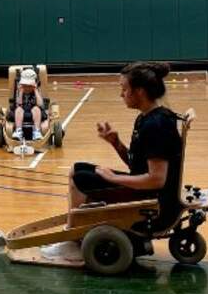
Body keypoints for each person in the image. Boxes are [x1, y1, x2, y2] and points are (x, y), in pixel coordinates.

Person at [46, 62, 182, 260]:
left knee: (80, 179)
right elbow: (137, 166)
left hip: (156, 201)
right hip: (147, 190)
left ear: (140, 92)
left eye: (124, 89)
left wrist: (113, 178)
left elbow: (156, 180)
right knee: (77, 169)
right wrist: (116, 144)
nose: (121, 94)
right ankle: (74, 234)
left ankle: (74, 242)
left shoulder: (156, 125)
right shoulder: (148, 118)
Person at [13, 68, 47, 141]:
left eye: (29, 86)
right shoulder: (20, 91)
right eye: (25, 85)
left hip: (34, 110)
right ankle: (18, 130)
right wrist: (21, 92)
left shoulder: (36, 91)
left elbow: (40, 104)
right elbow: (18, 104)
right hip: (22, 110)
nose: (27, 88)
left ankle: (36, 131)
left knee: (36, 109)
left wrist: (35, 90)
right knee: (18, 109)